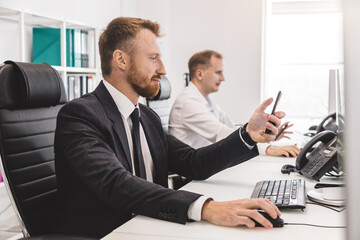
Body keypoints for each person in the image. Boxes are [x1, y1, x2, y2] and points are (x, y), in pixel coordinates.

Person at [54, 17, 283, 238]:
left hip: (153, 225)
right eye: (153, 58)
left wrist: (248, 135)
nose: (163, 69)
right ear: (121, 60)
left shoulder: (146, 117)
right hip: (110, 233)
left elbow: (194, 163)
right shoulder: (80, 116)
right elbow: (115, 184)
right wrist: (206, 208)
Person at [169, 50, 300, 158]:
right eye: (218, 72)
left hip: (205, 167)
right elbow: (220, 134)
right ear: (199, 74)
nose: (223, 78)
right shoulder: (187, 102)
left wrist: (262, 134)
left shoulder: (206, 101)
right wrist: (266, 148)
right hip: (188, 177)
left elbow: (231, 127)